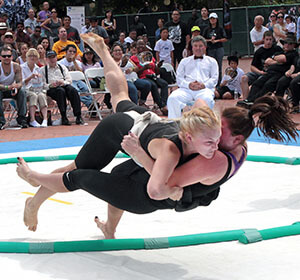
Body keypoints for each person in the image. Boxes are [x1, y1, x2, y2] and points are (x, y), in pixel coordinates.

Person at [17, 33, 298, 236]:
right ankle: (36, 196)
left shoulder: (213, 146)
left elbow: (199, 111)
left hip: (149, 125)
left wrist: (147, 161)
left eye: (216, 136)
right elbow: (160, 188)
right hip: (129, 129)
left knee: (120, 98)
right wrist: (142, 156)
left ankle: (108, 228)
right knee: (78, 168)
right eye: (211, 135)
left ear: (238, 140)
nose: (213, 142)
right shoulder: (189, 148)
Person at [237, 35, 298, 107]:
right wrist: (277, 61)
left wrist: (275, 59)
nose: (287, 45)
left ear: (293, 45)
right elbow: (267, 61)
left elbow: (283, 59)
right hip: (269, 72)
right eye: (286, 43)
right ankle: (249, 100)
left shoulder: (293, 54)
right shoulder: (280, 52)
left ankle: (256, 102)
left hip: (279, 74)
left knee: (268, 85)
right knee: (257, 83)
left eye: (290, 43)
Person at [167, 35, 218, 118]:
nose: (198, 48)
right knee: (173, 98)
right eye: (195, 46)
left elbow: (214, 78)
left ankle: (203, 125)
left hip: (204, 90)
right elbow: (179, 78)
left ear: (205, 47)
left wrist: (203, 85)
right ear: (192, 47)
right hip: (186, 90)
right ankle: (174, 125)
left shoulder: (212, 61)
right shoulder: (184, 61)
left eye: (201, 46)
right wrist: (188, 85)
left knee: (207, 99)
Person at [40, 50, 84, 125]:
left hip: (63, 85)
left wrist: (63, 82)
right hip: (51, 89)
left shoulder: (62, 67)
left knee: (73, 90)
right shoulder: (43, 70)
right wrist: (50, 85)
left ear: (56, 58)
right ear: (46, 59)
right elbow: (42, 84)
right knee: (60, 91)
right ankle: (64, 116)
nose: (52, 59)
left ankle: (78, 115)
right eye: (49, 58)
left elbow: (69, 80)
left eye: (53, 57)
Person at [240, 30, 282, 99]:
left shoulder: (277, 49)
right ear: (263, 40)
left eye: (270, 39)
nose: (268, 42)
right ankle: (245, 99)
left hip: (272, 73)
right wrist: (260, 72)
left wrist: (273, 62)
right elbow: (252, 67)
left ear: (273, 40)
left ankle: (255, 99)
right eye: (267, 39)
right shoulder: (259, 51)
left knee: (260, 81)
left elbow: (283, 61)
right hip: (260, 72)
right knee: (244, 78)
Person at [131, 39, 169, 115]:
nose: (141, 46)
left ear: (145, 46)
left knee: (164, 84)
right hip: (143, 77)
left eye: (142, 44)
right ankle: (162, 107)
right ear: (136, 46)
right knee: (153, 85)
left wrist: (158, 66)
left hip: (153, 76)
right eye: (139, 44)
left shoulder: (149, 56)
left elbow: (156, 70)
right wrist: (144, 68)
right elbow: (134, 72)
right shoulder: (133, 58)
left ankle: (163, 104)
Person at [0, 46, 28, 129]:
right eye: (4, 56)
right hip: (2, 90)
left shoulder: (16, 66)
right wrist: (7, 87)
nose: (6, 58)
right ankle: (1, 121)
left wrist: (16, 86)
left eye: (8, 56)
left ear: (12, 57)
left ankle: (22, 119)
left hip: (12, 89)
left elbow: (20, 82)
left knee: (22, 91)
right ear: (0, 57)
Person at [58, 44, 93, 110]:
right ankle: (90, 104)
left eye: (74, 52)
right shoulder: (60, 63)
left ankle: (91, 105)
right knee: (76, 91)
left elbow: (81, 73)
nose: (72, 53)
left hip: (78, 80)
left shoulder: (77, 62)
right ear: (66, 52)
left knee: (86, 89)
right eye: (70, 51)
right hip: (68, 82)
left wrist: (74, 61)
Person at [21, 48, 48, 127]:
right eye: (30, 56)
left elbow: (43, 82)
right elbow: (21, 82)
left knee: (42, 95)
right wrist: (30, 77)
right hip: (26, 89)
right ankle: (32, 119)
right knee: (33, 95)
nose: (32, 58)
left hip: (37, 88)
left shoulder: (38, 69)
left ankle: (45, 119)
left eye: (34, 56)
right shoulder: (22, 67)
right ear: (26, 57)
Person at [202, 12, 227, 85]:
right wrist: (210, 40)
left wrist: (217, 41)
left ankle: (219, 82)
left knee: (218, 66)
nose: (212, 20)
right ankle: (211, 82)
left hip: (219, 48)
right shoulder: (207, 29)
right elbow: (203, 39)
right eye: (211, 19)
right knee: (210, 66)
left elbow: (225, 38)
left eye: (214, 19)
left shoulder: (220, 28)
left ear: (216, 19)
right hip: (210, 49)